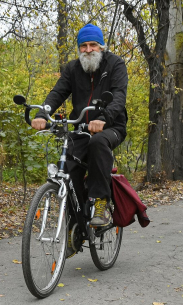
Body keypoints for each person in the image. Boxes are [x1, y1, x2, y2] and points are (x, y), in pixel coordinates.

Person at [32, 24, 128, 232]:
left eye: (93, 45)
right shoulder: (73, 68)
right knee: (66, 169)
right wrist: (42, 114)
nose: (88, 49)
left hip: (111, 126)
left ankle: (101, 203)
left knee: (98, 142)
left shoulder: (115, 64)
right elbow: (57, 93)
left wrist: (104, 118)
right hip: (80, 127)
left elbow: (119, 95)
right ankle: (75, 227)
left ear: (101, 46)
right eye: (83, 46)